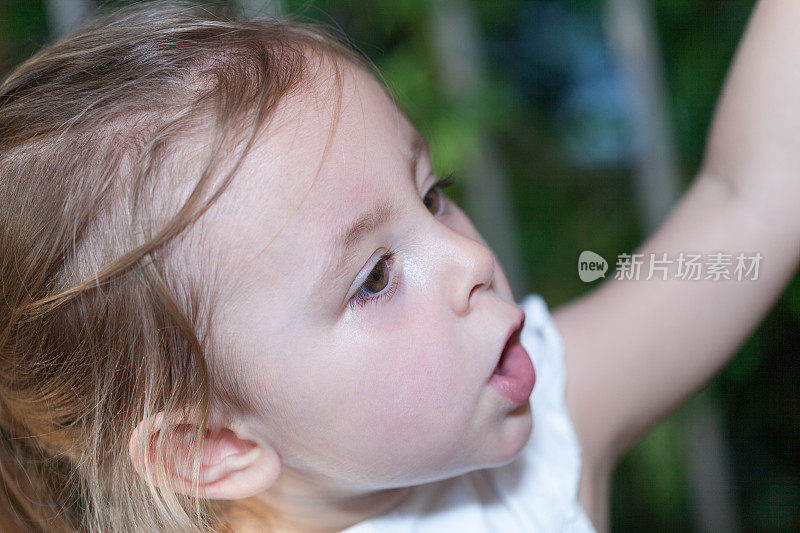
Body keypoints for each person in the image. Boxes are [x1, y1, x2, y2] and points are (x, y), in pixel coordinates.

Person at [0, 0, 797, 531]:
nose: (471, 258)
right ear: (210, 445)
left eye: (434, 194)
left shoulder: (545, 437)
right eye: (374, 277)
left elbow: (746, 202)